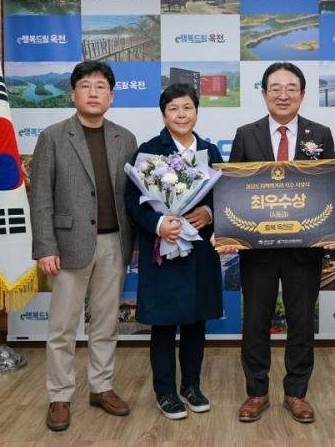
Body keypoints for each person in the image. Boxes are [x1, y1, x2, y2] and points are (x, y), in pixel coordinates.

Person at [29, 60, 138, 432]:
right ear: (73, 94)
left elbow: (134, 197)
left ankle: (101, 387)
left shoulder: (126, 138)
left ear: (111, 96)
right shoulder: (53, 137)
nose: (94, 93)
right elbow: (40, 197)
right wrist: (45, 245)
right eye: (86, 86)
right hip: (67, 245)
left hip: (115, 243)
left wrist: (135, 242)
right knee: (62, 327)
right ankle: (59, 395)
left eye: (101, 86)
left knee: (105, 323)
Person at [228, 62, 335, 424]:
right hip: (256, 251)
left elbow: (326, 187)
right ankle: (256, 392)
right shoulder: (246, 135)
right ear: (264, 94)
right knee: (255, 322)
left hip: (304, 250)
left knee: (301, 322)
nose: (283, 95)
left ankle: (296, 393)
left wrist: (329, 230)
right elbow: (233, 191)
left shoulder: (321, 134)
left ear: (302, 94)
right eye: (275, 88)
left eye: (291, 88)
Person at [124, 83, 223, 420]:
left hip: (199, 250)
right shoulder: (149, 151)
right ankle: (165, 391)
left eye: (187, 108)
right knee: (164, 324)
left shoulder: (209, 150)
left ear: (196, 111)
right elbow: (133, 201)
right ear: (163, 115)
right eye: (173, 109)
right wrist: (158, 224)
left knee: (196, 321)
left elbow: (224, 194)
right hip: (162, 250)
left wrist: (208, 213)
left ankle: (191, 385)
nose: (181, 115)